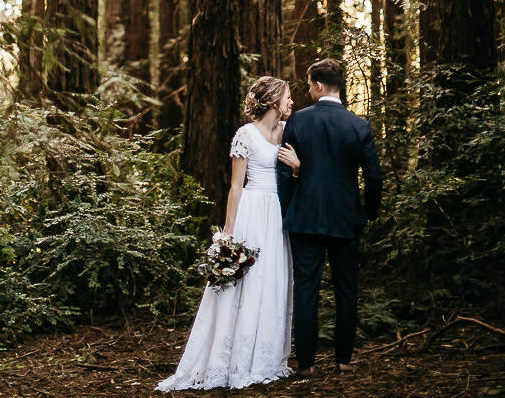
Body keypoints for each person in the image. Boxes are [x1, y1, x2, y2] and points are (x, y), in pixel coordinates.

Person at [156, 76, 301, 391]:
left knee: (274, 281)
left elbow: (299, 176)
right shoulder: (245, 135)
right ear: (275, 102)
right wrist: (229, 234)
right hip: (252, 211)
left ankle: (267, 358)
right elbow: (235, 186)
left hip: (278, 214)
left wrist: (297, 166)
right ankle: (233, 359)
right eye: (288, 97)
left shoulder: (290, 131)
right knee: (247, 281)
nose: (292, 102)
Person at [277, 58, 382, 378]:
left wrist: (286, 211)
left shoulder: (298, 121)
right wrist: (369, 212)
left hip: (305, 218)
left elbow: (284, 171)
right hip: (346, 219)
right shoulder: (358, 125)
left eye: (308, 85)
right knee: (347, 290)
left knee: (305, 290)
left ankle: (306, 364)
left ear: (319, 86)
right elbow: (374, 178)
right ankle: (343, 361)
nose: (307, 90)